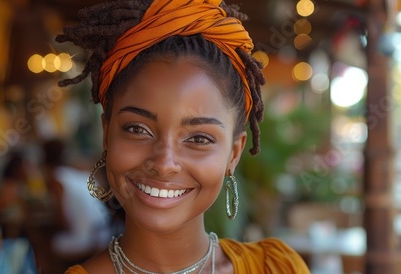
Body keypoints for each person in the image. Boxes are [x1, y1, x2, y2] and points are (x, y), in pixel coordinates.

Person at [57, 0, 311, 273]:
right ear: (107, 134)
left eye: (199, 139)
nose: (165, 163)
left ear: (233, 154)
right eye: (137, 129)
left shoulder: (276, 268)